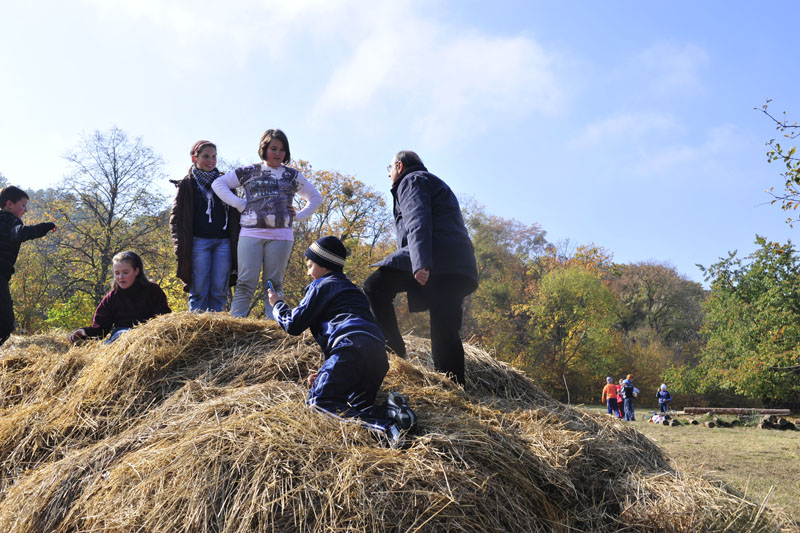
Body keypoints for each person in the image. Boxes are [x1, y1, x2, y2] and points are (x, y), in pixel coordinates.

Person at [268, 236, 416, 447]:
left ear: (324, 265)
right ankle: (391, 411)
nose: (309, 273)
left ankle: (386, 427)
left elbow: (293, 324)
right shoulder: (354, 291)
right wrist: (325, 371)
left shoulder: (322, 285)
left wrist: (277, 305)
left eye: (310, 266)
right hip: (375, 354)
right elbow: (350, 327)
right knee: (353, 405)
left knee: (318, 403)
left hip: (349, 348)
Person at [364, 151, 478, 386]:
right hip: (456, 265)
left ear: (400, 165)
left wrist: (421, 262)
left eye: (390, 169)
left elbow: (418, 219)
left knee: (375, 286)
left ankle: (393, 351)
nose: (389, 174)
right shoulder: (433, 182)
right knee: (444, 328)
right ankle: (454, 387)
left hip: (434, 256)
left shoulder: (411, 180)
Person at [213, 129, 321, 319]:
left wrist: (300, 215)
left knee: (274, 283)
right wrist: (239, 204)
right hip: (250, 234)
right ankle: (236, 323)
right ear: (264, 149)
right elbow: (218, 184)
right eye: (273, 148)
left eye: (282, 149)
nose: (278, 153)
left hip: (281, 236)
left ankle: (275, 324)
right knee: (246, 281)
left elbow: (315, 198)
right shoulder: (248, 171)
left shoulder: (292, 175)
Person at [170, 140, 240, 312]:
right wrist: (179, 245)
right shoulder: (187, 184)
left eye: (214, 157)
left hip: (223, 243)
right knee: (199, 289)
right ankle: (198, 328)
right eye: (206, 156)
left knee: (219, 290)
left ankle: (216, 330)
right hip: (198, 242)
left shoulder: (226, 183)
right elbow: (176, 218)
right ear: (194, 158)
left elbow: (236, 211)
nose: (211, 161)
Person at [69, 251, 171, 344]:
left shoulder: (152, 290)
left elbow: (164, 318)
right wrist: (84, 332)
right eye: (117, 273)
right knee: (119, 336)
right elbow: (100, 328)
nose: (120, 277)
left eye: (125, 272)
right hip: (120, 337)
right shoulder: (112, 297)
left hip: (149, 337)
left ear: (136, 271)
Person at [0, 186, 57, 347]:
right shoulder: (10, 221)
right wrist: (45, 226)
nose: (25, 210)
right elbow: (21, 233)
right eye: (23, 205)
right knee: (5, 323)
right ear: (9, 204)